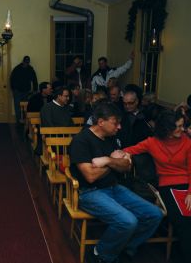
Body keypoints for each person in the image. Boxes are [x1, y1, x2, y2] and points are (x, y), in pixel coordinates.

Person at [69, 102, 163, 263]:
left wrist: (106, 160)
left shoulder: (112, 138)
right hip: (90, 192)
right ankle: (101, 254)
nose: (119, 127)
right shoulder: (81, 141)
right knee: (128, 221)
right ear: (101, 122)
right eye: (115, 123)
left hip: (114, 187)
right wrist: (114, 161)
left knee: (155, 214)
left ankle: (124, 247)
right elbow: (91, 176)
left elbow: (127, 166)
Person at [123, 110, 191, 263]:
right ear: (166, 129)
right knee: (182, 220)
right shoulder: (152, 142)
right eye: (178, 127)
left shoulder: (187, 141)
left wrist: (190, 193)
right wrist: (125, 155)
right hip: (167, 184)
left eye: (183, 126)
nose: (183, 129)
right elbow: (129, 150)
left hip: (188, 184)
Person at [10, 56, 38, 123]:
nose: (26, 63)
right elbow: (12, 79)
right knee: (17, 107)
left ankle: (25, 120)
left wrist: (35, 89)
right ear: (23, 61)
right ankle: (18, 120)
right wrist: (13, 88)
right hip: (17, 91)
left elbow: (34, 79)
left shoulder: (30, 69)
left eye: (28, 62)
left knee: (26, 107)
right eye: (26, 62)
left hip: (26, 91)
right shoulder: (17, 69)